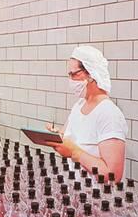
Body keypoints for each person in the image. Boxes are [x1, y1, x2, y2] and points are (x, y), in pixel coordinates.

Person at [45, 45, 128, 182]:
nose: (71, 80)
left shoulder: (109, 114)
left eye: (74, 74)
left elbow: (113, 176)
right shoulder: (79, 106)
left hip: (98, 199)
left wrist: (74, 152)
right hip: (75, 194)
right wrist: (56, 137)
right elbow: (70, 139)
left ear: (91, 74)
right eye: (69, 75)